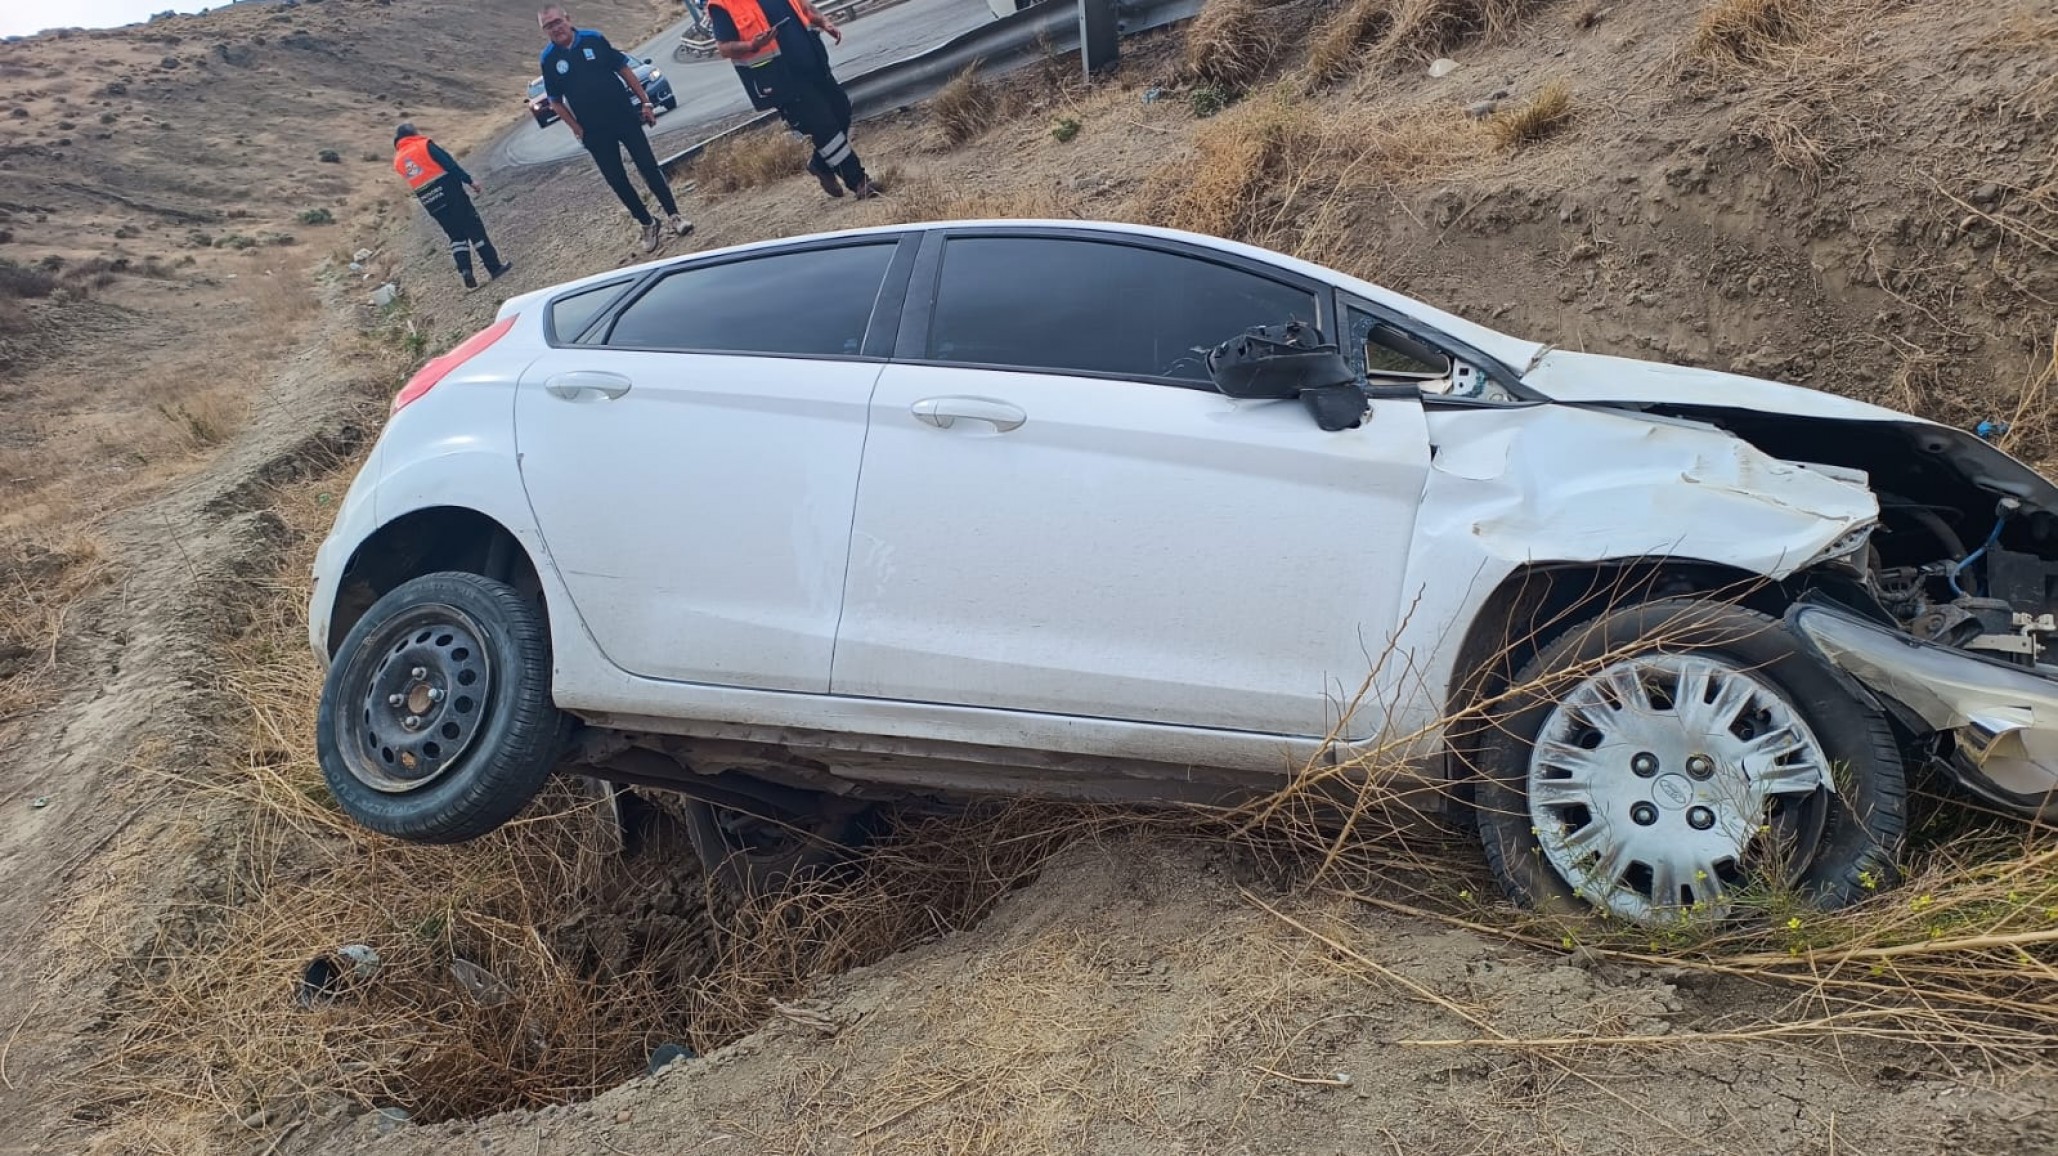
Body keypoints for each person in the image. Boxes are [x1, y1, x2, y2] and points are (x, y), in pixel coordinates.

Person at [538, 5, 693, 252]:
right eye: (548, 26)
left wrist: (645, 102)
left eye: (557, 22)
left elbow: (624, 69)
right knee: (616, 180)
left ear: (567, 19)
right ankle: (647, 222)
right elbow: (555, 102)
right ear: (544, 31)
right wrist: (577, 129)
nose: (555, 28)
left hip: (624, 117)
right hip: (594, 131)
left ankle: (675, 216)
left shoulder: (593, 39)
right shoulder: (549, 60)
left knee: (648, 167)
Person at [707, 0, 882, 199]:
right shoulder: (723, 4)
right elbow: (724, 48)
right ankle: (859, 181)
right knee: (825, 128)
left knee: (842, 110)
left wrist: (824, 22)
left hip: (815, 66)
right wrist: (753, 45)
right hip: (781, 80)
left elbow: (805, 8)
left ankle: (820, 165)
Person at [391, 123, 510, 290]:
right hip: (450, 193)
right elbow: (449, 164)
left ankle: (465, 270)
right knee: (473, 227)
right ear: (413, 134)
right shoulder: (424, 145)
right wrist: (469, 180)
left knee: (456, 236)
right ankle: (494, 267)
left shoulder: (398, 160)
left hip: (430, 201)